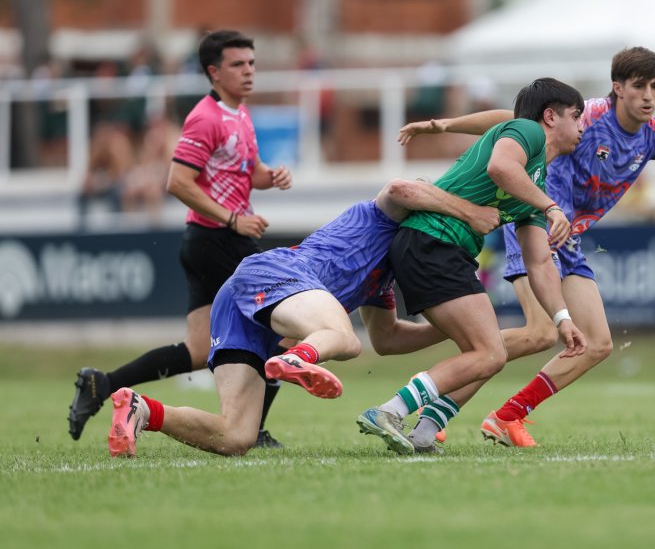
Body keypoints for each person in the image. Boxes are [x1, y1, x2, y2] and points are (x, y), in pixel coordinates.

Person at [396, 47, 655, 449]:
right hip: (534, 224)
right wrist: (444, 125)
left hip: (569, 238)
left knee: (596, 343)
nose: (649, 95)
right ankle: (436, 396)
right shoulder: (588, 116)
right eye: (639, 86)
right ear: (618, 87)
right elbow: (515, 123)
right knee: (539, 334)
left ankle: (507, 415)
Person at [106, 179, 500, 457]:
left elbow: (388, 339)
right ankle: (298, 358)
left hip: (244, 300)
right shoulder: (383, 215)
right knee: (344, 339)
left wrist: (452, 328)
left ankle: (140, 410)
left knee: (236, 436)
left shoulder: (382, 279)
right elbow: (400, 188)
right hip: (277, 273)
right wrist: (468, 211)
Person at [69, 30, 294, 448]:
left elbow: (249, 171)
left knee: (197, 349)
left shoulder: (240, 114)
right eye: (238, 64)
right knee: (283, 331)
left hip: (208, 241)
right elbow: (177, 181)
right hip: (219, 240)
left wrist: (271, 176)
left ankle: (103, 383)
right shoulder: (205, 117)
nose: (248, 71)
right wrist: (233, 219)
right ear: (213, 72)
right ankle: (254, 428)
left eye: (251, 63)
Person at [356, 78, 588, 456]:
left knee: (486, 354)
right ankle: (390, 411)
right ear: (550, 117)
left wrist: (562, 318)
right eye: (576, 116)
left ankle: (425, 432)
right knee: (490, 352)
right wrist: (551, 207)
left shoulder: (535, 183)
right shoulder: (527, 131)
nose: (582, 126)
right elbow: (500, 167)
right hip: (432, 240)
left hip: (442, 249)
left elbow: (538, 260)